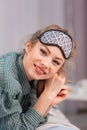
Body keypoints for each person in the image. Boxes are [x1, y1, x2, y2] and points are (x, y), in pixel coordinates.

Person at [0, 24, 80, 130]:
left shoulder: (32, 75)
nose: (45, 64)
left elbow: (35, 119)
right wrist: (48, 94)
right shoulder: (8, 82)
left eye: (55, 62)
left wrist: (50, 102)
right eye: (43, 52)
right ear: (29, 47)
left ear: (58, 70)